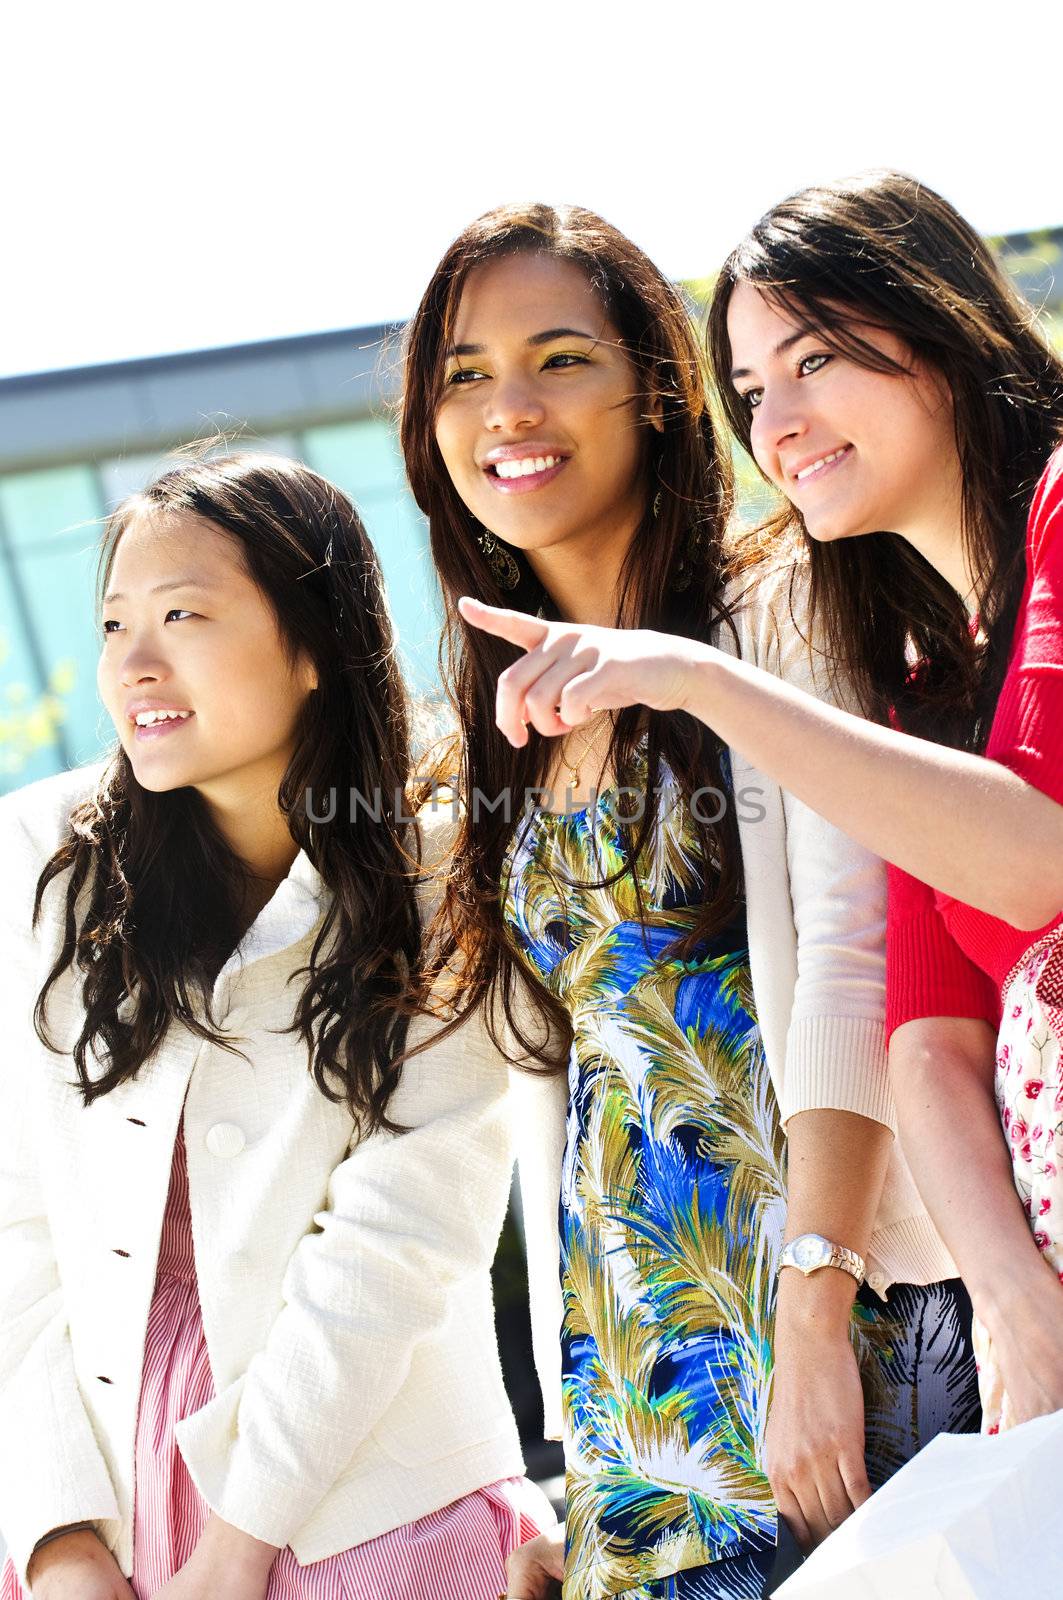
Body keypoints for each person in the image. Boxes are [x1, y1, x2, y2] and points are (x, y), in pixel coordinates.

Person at [399, 203, 978, 1600]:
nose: (508, 409)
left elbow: (853, 963)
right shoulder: (485, 731)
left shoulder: (780, 611)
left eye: (557, 359)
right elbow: (567, 1098)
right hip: (633, 1394)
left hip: (842, 1335)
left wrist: (815, 1308)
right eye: (464, 374)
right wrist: (568, 1455)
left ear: (657, 396)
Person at [0, 452, 553, 1600]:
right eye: (112, 624)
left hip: (374, 1500)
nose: (132, 663)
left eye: (181, 615)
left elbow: (405, 1227)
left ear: (313, 644)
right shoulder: (38, 862)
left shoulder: (444, 858)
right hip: (102, 1495)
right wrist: (55, 1541)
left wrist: (239, 1541)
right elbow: (18, 1222)